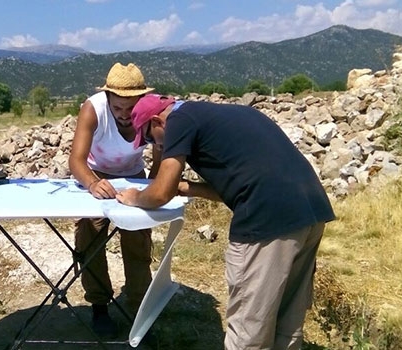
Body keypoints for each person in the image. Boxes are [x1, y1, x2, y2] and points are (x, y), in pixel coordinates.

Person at [116, 94, 336, 350]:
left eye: (150, 138)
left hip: (266, 220)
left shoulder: (178, 120)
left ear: (157, 121)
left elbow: (160, 192)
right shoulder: (219, 114)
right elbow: (235, 187)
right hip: (310, 210)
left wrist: (135, 197)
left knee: (249, 328)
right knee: (286, 321)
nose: (156, 146)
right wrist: (191, 188)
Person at [68, 62, 161, 338]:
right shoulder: (92, 109)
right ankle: (99, 306)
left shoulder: (153, 113)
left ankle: (138, 310)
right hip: (96, 174)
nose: (123, 115)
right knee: (90, 236)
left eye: (130, 109)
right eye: (117, 108)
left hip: (134, 177)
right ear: (107, 98)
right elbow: (76, 159)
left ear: (142, 101)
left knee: (136, 240)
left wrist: (150, 191)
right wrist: (93, 183)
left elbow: (160, 161)